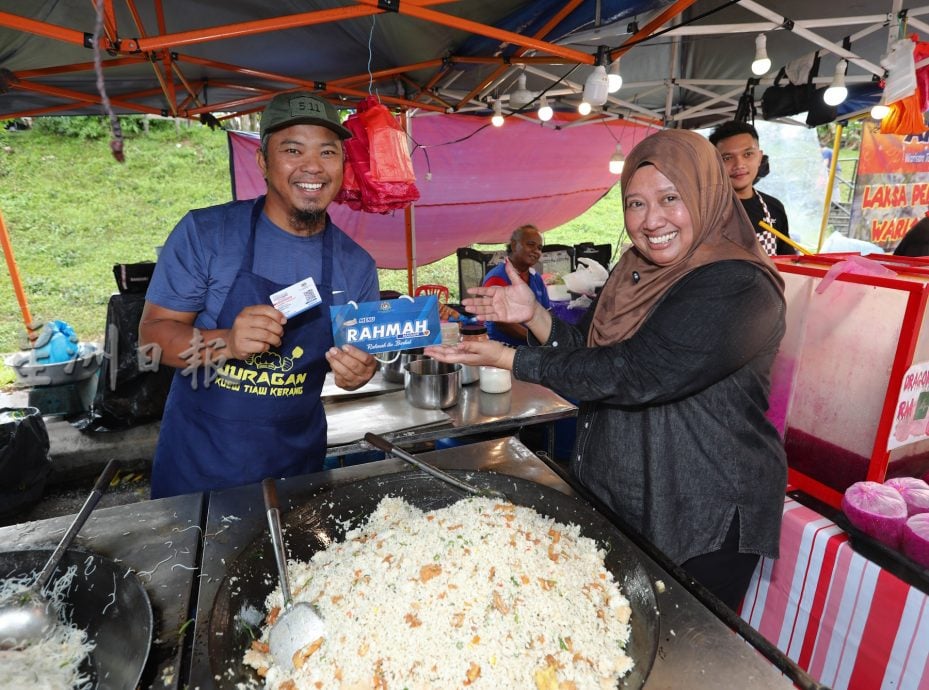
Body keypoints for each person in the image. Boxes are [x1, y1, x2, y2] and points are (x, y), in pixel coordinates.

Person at [426, 129, 788, 610]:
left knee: (683, 651)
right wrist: (535, 317)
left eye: (670, 198)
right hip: (630, 493)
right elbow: (594, 354)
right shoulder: (634, 273)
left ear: (707, 193)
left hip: (699, 508)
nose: (651, 220)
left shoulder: (738, 283)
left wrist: (510, 359)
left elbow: (638, 372)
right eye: (635, 204)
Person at [141, 91, 380, 499]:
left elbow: (360, 358)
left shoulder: (356, 265)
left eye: (328, 152)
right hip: (199, 472)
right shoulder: (207, 234)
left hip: (296, 471)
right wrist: (227, 343)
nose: (313, 167)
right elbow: (150, 341)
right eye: (292, 149)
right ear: (263, 162)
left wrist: (361, 372)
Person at [709, 121, 796, 256]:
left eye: (748, 154)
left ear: (760, 157)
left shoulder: (774, 207)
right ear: (715, 163)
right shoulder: (707, 211)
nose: (739, 165)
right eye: (727, 158)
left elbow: (789, 260)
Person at [481, 224, 551, 345]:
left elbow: (547, 313)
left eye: (539, 248)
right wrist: (535, 339)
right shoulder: (497, 278)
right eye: (531, 245)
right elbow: (502, 323)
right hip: (502, 348)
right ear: (514, 245)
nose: (536, 251)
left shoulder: (536, 278)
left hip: (531, 346)